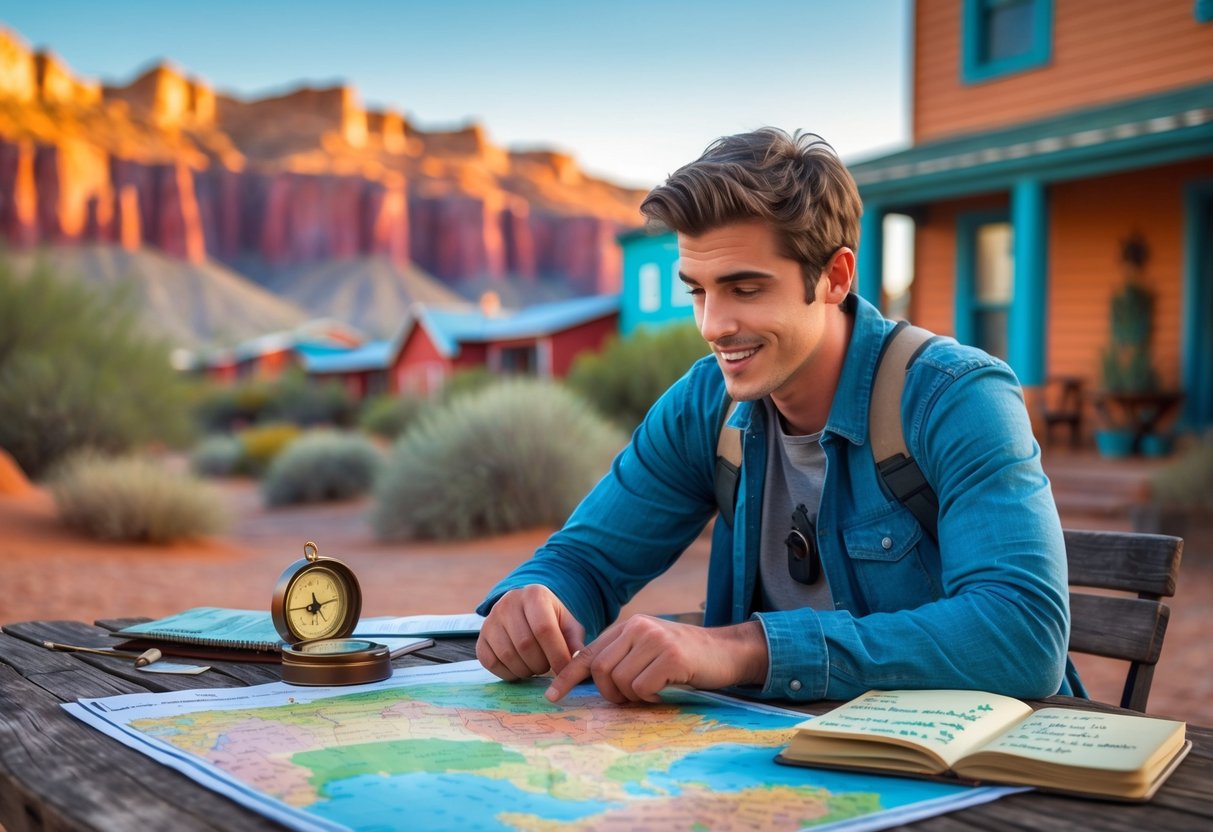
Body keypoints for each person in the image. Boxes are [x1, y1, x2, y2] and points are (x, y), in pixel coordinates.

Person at [475, 127, 1082, 706]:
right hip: (780, 757)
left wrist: (744, 649)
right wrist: (537, 602)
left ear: (834, 278)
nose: (713, 325)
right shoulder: (704, 406)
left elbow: (1023, 633)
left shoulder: (955, 397)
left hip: (969, 764)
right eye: (697, 291)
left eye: (745, 289)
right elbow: (584, 562)